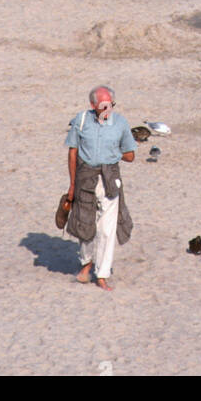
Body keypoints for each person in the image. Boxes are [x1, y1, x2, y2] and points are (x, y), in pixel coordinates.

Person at [65, 85, 136, 291]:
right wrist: (71, 185)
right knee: (84, 225)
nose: (107, 110)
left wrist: (115, 152)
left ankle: (102, 274)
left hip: (110, 179)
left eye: (110, 105)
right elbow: (72, 153)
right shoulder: (81, 120)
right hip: (85, 179)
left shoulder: (121, 123)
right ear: (93, 105)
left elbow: (130, 155)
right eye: (103, 106)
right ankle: (85, 264)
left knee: (107, 230)